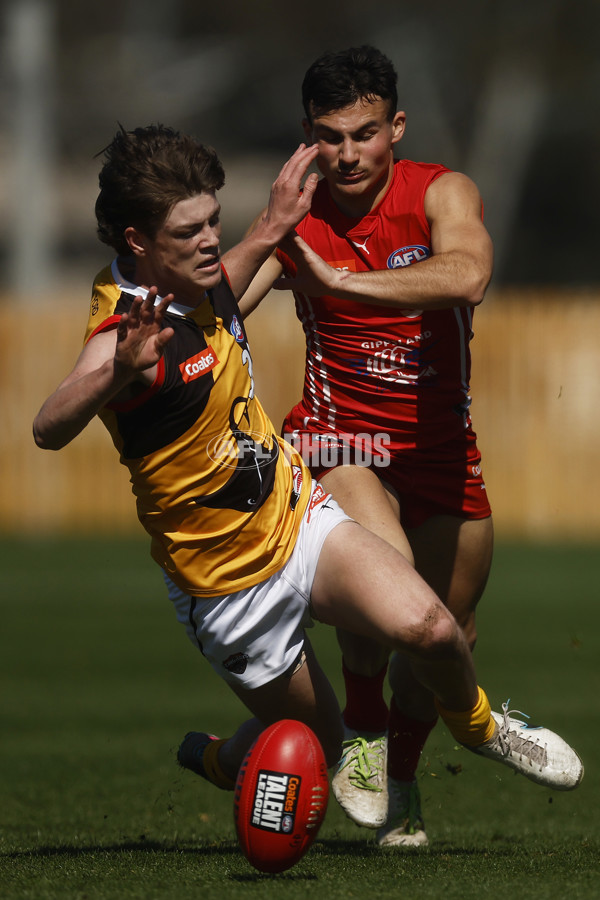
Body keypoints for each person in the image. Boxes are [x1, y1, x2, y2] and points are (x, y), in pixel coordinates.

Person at [33, 125, 581, 830]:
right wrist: (115, 373)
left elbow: (234, 272)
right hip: (227, 586)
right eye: (190, 230)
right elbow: (48, 426)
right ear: (139, 241)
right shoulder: (124, 332)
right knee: (314, 751)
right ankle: (223, 760)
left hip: (298, 518)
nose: (209, 242)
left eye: (213, 223)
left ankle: (480, 730)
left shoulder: (188, 279)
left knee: (433, 629)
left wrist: (273, 220)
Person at [236, 46, 546, 847]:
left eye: (364, 133)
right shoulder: (297, 219)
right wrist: (263, 235)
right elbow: (223, 308)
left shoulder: (442, 190)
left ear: (396, 126)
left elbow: (468, 275)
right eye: (330, 136)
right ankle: (363, 733)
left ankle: (399, 778)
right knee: (391, 580)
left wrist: (340, 283)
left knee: (451, 632)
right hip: (340, 436)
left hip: (441, 443)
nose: (347, 153)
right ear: (307, 136)